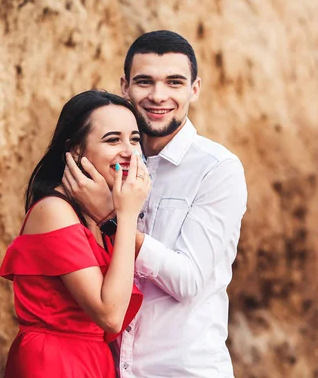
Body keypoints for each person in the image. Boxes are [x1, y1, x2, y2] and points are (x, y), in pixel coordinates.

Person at [63, 31, 248, 377]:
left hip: (183, 370)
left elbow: (188, 281)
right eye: (145, 82)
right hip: (110, 367)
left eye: (174, 82)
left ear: (194, 89)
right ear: (125, 86)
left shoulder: (218, 170)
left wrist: (111, 219)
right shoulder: (107, 163)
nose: (158, 96)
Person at [0, 90, 151, 377]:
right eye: (113, 139)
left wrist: (113, 216)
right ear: (76, 149)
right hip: (54, 362)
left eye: (134, 139)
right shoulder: (54, 211)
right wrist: (127, 215)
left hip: (93, 359)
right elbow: (110, 315)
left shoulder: (98, 210)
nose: (130, 151)